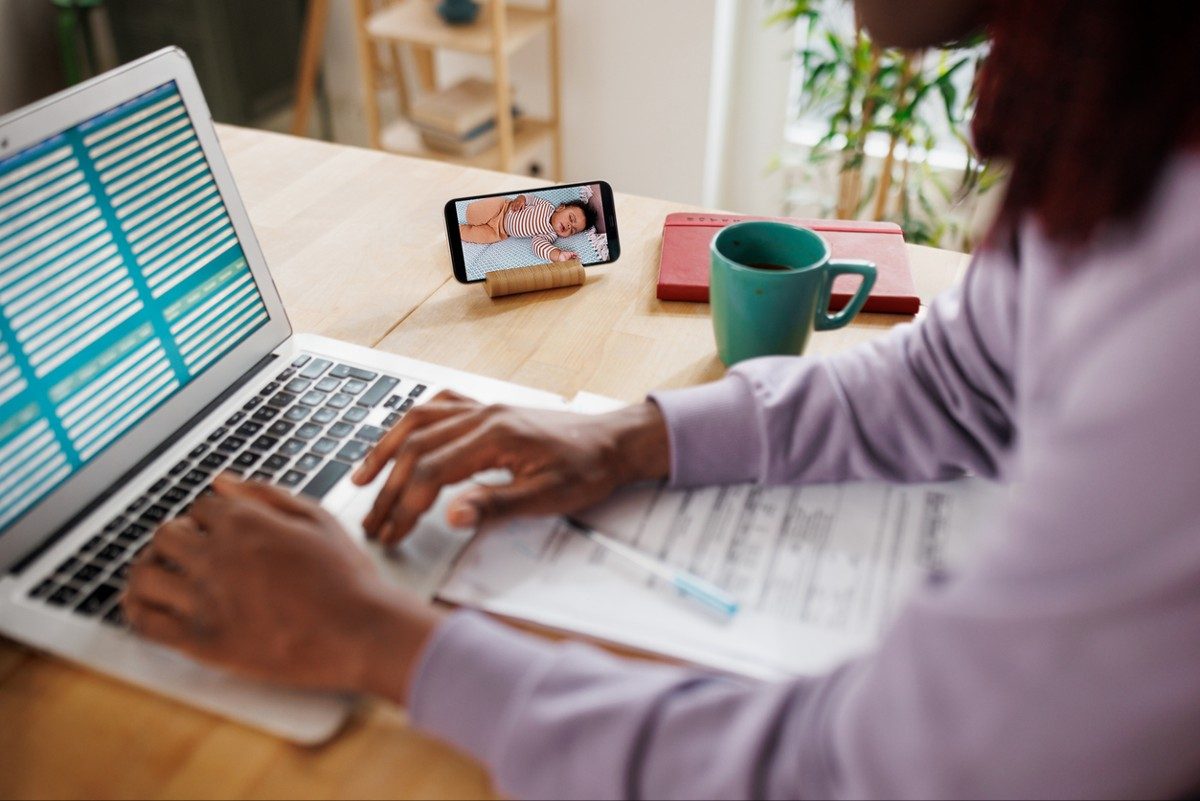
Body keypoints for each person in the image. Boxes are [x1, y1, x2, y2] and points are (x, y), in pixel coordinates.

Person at [123, 1, 1200, 797]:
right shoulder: (1135, 108)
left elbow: (852, 775)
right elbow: (960, 381)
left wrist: (378, 641)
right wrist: (631, 436)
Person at [459, 193, 593, 263]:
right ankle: (468, 215)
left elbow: (539, 246)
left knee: (477, 236)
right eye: (571, 219)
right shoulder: (547, 206)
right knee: (477, 213)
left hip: (499, 231)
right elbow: (531, 198)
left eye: (573, 230)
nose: (569, 226)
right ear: (560, 208)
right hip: (502, 209)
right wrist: (521, 198)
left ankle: (458, 231)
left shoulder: (549, 235)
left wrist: (558, 255)